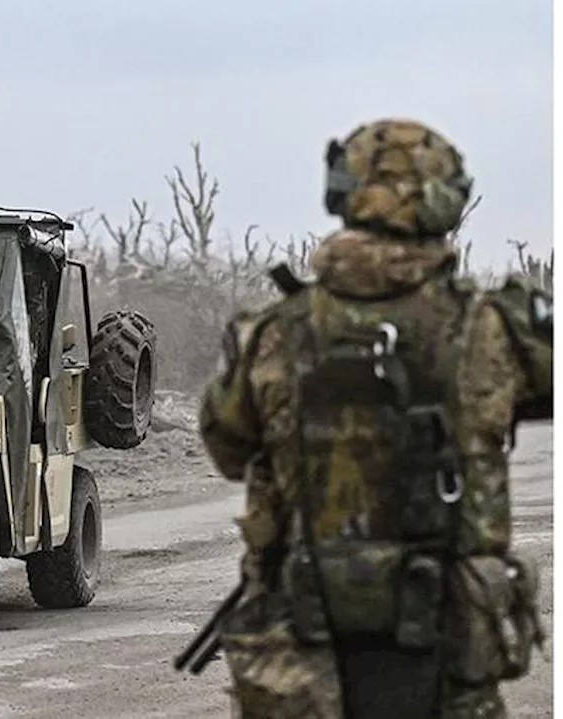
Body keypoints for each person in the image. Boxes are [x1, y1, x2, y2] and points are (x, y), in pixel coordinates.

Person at [197, 118, 551, 718]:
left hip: (304, 656)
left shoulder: (275, 334)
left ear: (343, 195)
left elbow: (228, 448)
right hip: (448, 646)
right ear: (448, 202)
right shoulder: (493, 329)